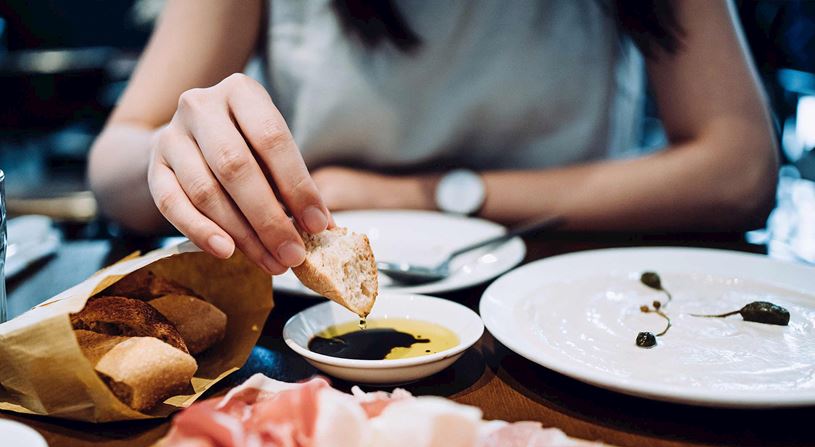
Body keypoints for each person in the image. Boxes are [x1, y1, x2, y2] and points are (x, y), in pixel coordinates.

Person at [88, 0, 778, 275]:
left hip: (577, 296)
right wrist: (169, 155)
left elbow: (740, 170)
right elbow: (114, 168)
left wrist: (429, 194)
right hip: (301, 326)